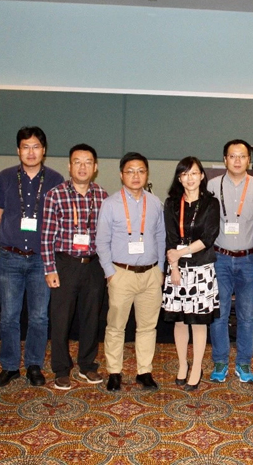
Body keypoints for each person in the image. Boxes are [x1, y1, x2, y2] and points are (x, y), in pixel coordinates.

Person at [0, 126, 64, 387]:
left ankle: (34, 365)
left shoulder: (55, 179)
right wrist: (14, 231)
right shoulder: (5, 177)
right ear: (18, 150)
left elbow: (59, 217)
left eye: (35, 147)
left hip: (41, 258)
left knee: (39, 317)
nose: (30, 152)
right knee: (9, 316)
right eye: (25, 147)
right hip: (10, 256)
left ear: (44, 150)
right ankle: (10, 366)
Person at [41, 144, 109, 390]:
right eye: (77, 162)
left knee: (92, 318)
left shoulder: (102, 196)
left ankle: (87, 365)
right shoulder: (55, 195)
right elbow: (47, 236)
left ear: (95, 167)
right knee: (61, 319)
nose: (82, 167)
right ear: (69, 166)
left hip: (93, 264)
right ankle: (61, 369)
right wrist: (50, 268)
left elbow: (107, 235)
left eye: (88, 162)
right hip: (65, 263)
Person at [96, 152, 165, 392]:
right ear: (121, 175)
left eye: (141, 171)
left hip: (151, 274)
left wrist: (161, 269)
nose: (136, 176)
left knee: (147, 327)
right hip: (121, 274)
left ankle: (144, 372)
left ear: (147, 174)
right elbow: (101, 241)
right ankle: (114, 372)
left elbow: (161, 237)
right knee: (116, 326)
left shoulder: (155, 203)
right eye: (130, 171)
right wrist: (110, 273)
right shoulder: (110, 204)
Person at [207, 140, 253, 384]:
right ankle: (220, 361)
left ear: (248, 160)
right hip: (219, 258)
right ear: (225, 159)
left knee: (246, 315)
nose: (237, 160)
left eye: (242, 156)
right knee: (218, 314)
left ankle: (243, 362)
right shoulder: (212, 185)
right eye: (232, 156)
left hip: (248, 260)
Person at [163, 157, 221, 391]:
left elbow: (208, 237)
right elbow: (170, 238)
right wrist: (174, 266)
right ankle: (182, 365)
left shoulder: (211, 203)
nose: (190, 178)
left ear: (202, 176)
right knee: (179, 320)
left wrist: (181, 253)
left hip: (201, 269)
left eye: (194, 173)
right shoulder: (172, 203)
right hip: (177, 268)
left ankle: (197, 367)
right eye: (185, 174)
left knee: (198, 322)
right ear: (179, 178)